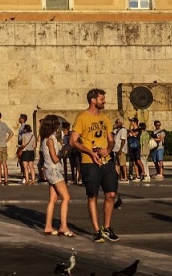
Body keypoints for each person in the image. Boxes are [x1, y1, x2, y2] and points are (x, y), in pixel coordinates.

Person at [70, 88, 119, 243]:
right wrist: (90, 152)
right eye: (102, 99)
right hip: (89, 162)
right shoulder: (82, 117)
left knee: (111, 194)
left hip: (107, 160)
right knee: (93, 196)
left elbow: (111, 139)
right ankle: (97, 230)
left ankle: (107, 227)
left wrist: (108, 149)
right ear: (93, 100)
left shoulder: (105, 118)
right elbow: (73, 141)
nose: (104, 101)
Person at [40, 115, 73, 236]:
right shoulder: (50, 140)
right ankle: (63, 226)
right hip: (54, 170)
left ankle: (48, 226)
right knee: (66, 197)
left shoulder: (46, 139)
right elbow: (54, 158)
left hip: (49, 170)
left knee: (53, 199)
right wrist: (64, 152)